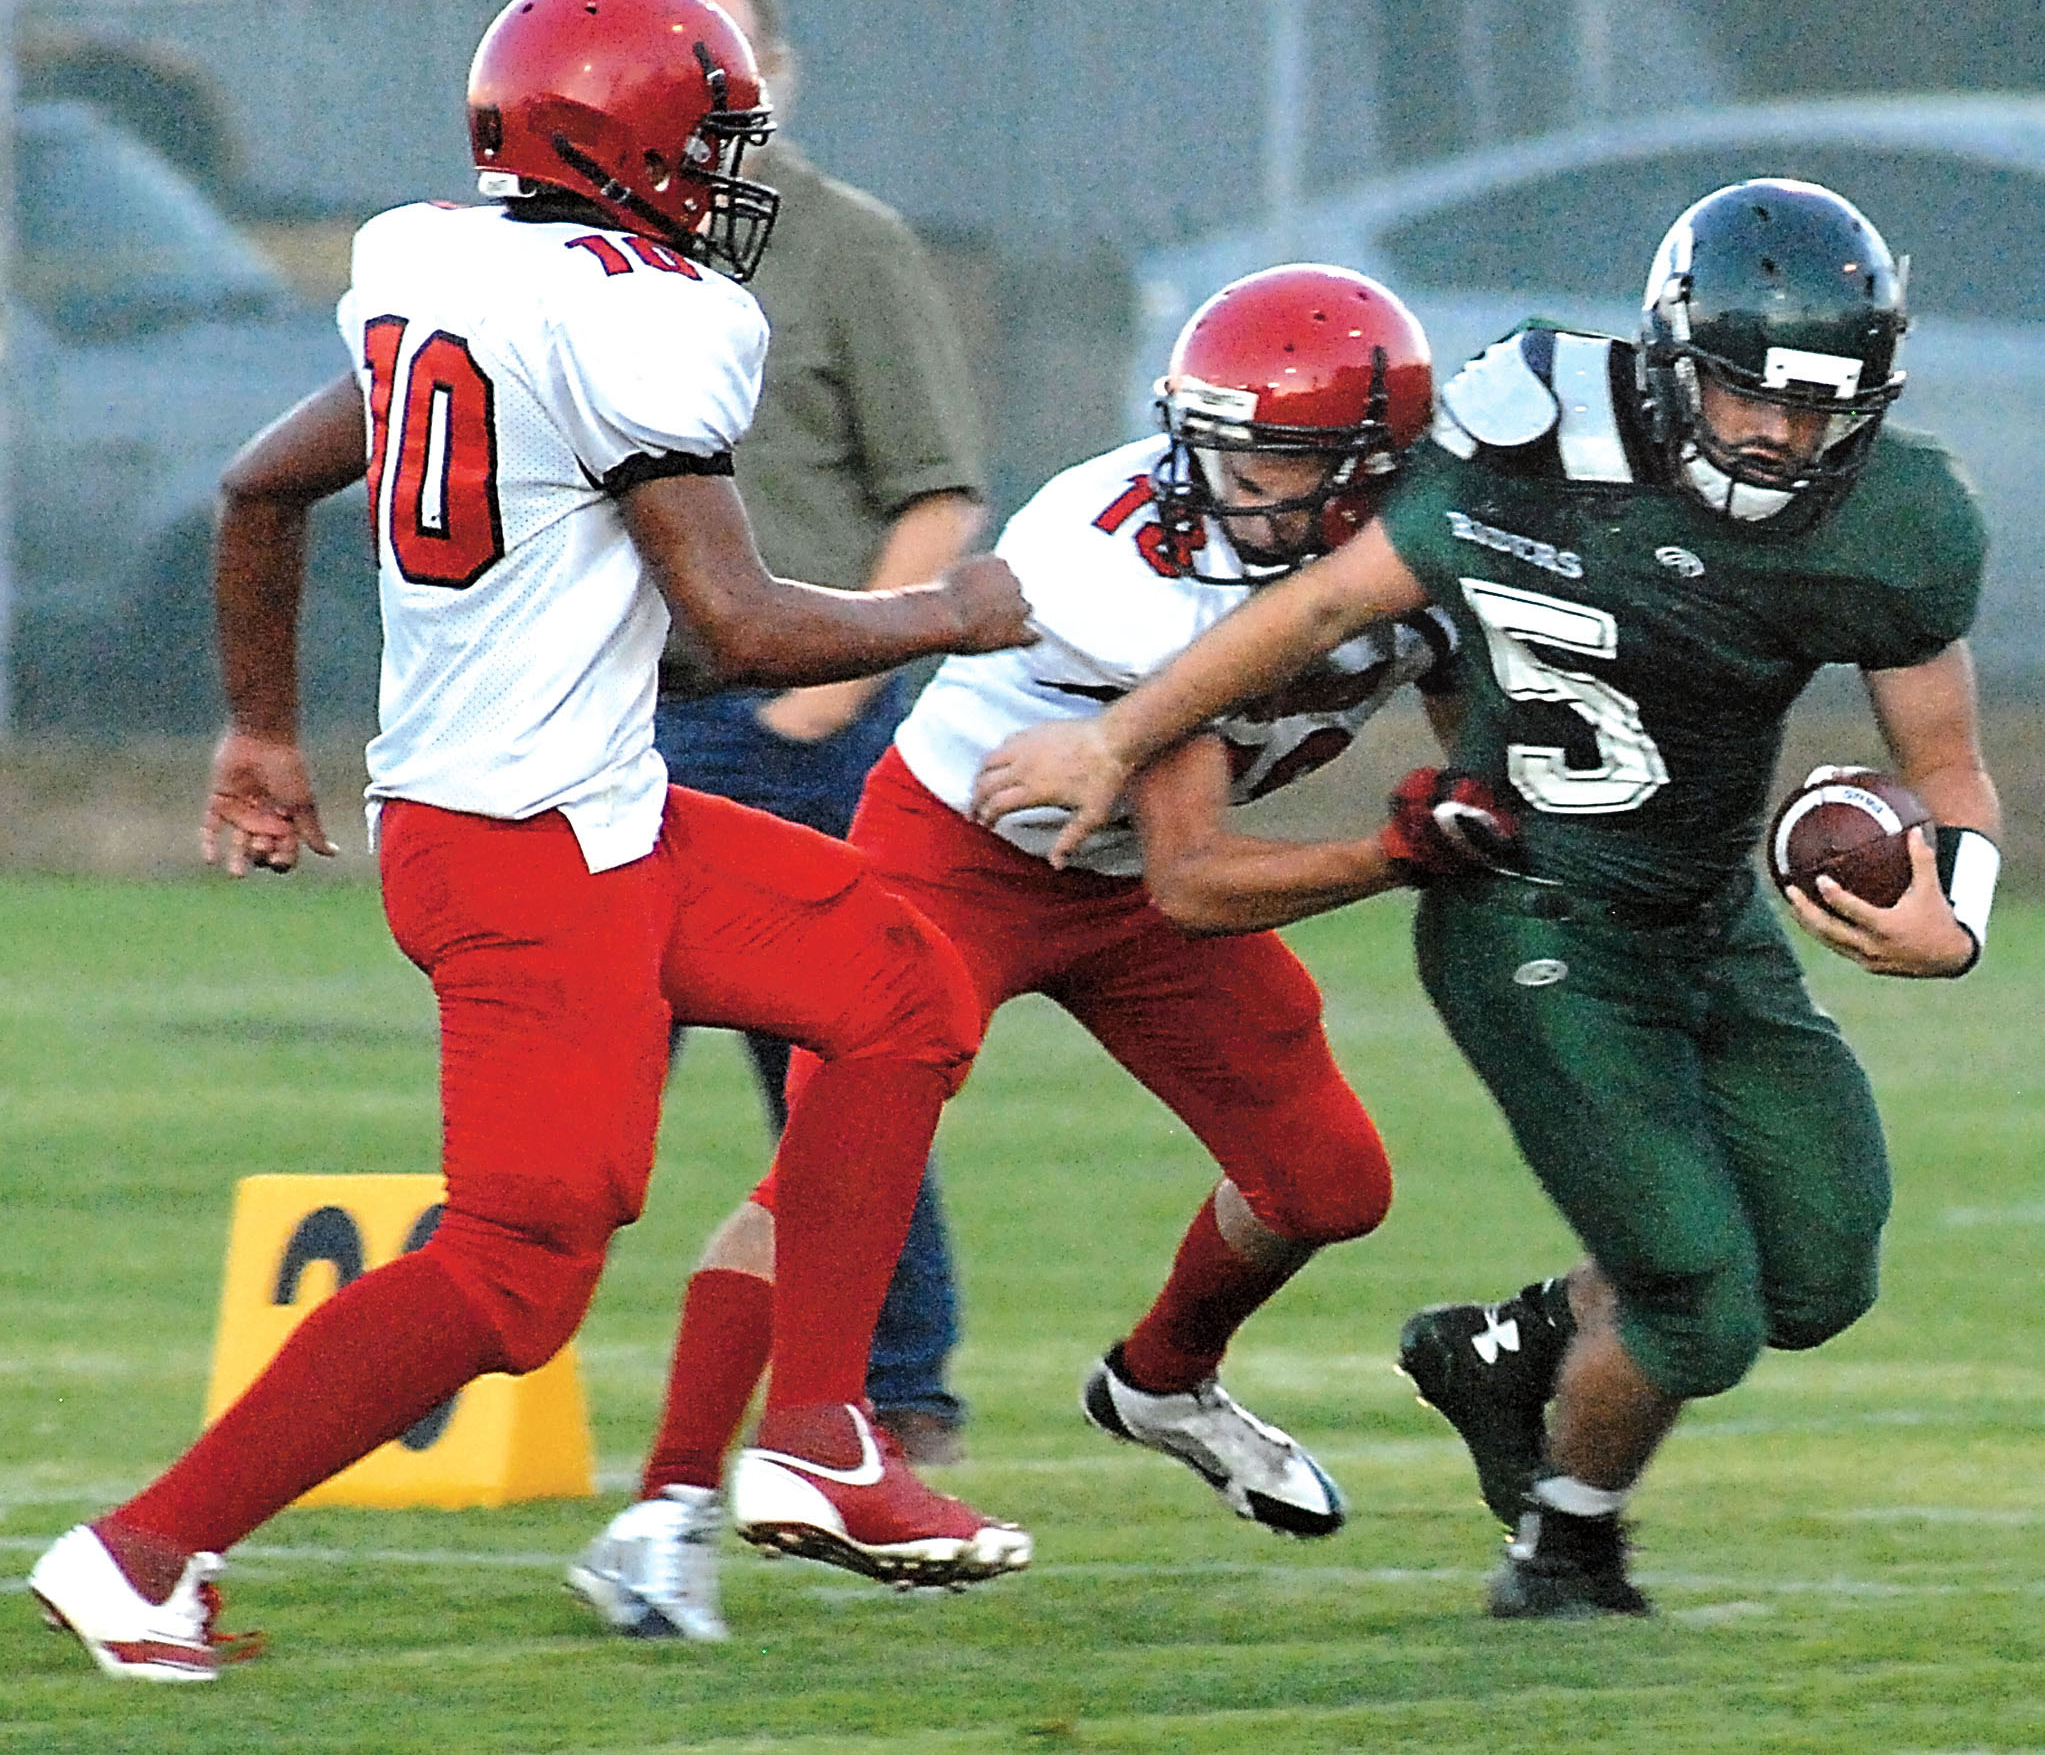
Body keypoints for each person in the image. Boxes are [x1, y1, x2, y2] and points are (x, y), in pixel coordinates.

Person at [28, 0, 1034, 1683]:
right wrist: (955, 610)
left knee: (903, 989)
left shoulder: (446, 268)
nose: (732, 171)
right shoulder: (632, 314)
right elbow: (744, 628)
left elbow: (262, 484)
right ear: (622, 140)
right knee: (515, 1283)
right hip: (524, 850)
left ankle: (819, 1435)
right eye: (710, 134)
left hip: (591, 813)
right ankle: (139, 1553)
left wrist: (264, 731)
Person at [971, 179, 2003, 1620]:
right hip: (1530, 914)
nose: (1779, 434)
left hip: (1708, 917)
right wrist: (1117, 736)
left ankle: (1517, 1353)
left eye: (1820, 407)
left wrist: (1957, 907)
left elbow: (1944, 764)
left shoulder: (1895, 522)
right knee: (1699, 1304)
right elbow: (1324, 604)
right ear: (1669, 355)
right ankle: (1563, 1549)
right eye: (1744, 393)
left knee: (1822, 1275)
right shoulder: (1532, 441)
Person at [567, 263, 1520, 1642]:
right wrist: (1398, 856)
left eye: (1267, 454)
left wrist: (1486, 804)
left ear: (1371, 475)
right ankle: (662, 1518)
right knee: (830, 1180)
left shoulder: (1413, 552)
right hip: (963, 852)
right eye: (1213, 439)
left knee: (1328, 1182)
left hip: (1128, 886)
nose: (1224, 478)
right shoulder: (1113, 549)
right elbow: (1197, 882)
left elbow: (1458, 726)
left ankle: (1162, 1381)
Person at [645, 0, 988, 1466]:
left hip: (779, 721)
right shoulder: (586, 249)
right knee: (559, 1055)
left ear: (780, 67)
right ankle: (437, 1376)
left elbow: (940, 496)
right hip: (609, 722)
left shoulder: (845, 243)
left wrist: (827, 694)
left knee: (838, 1072)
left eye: (732, 38)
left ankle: (899, 1392)